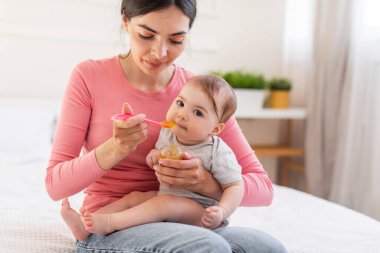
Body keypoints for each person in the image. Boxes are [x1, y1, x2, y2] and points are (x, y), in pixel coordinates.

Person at [46, 0, 287, 252]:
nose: (159, 52)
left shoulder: (199, 94)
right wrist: (116, 148)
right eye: (146, 35)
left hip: (185, 219)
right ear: (125, 20)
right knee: (210, 246)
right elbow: (55, 185)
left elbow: (263, 188)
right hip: (109, 224)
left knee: (268, 248)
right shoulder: (89, 76)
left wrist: (204, 183)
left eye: (176, 40)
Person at [62, 75, 244, 239]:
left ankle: (110, 223)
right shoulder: (168, 133)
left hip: (200, 213)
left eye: (197, 113)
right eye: (180, 104)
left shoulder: (218, 152)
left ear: (215, 129)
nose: (181, 115)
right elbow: (158, 151)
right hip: (166, 198)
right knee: (134, 198)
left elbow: (235, 186)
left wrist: (222, 211)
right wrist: (154, 154)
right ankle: (85, 228)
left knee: (164, 203)